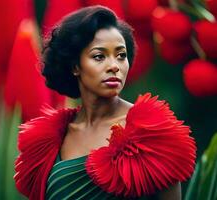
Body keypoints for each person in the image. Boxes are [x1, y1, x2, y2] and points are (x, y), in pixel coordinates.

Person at [14, 5, 196, 200]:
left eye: (121, 56)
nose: (114, 66)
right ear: (75, 66)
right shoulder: (47, 142)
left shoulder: (154, 132)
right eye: (99, 56)